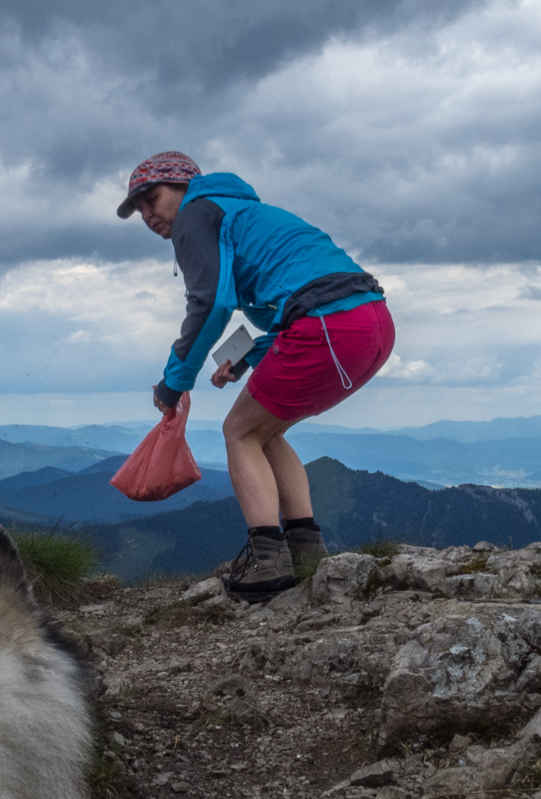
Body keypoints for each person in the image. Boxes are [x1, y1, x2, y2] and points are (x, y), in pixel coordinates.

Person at [118, 151, 395, 601]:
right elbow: (300, 297)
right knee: (266, 432)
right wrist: (248, 358)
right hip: (372, 324)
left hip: (329, 326)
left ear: (184, 187)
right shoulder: (243, 211)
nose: (147, 214)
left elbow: (211, 303)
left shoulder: (195, 215)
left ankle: (267, 561)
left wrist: (175, 381)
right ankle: (307, 551)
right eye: (138, 209)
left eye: (152, 198)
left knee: (239, 432)